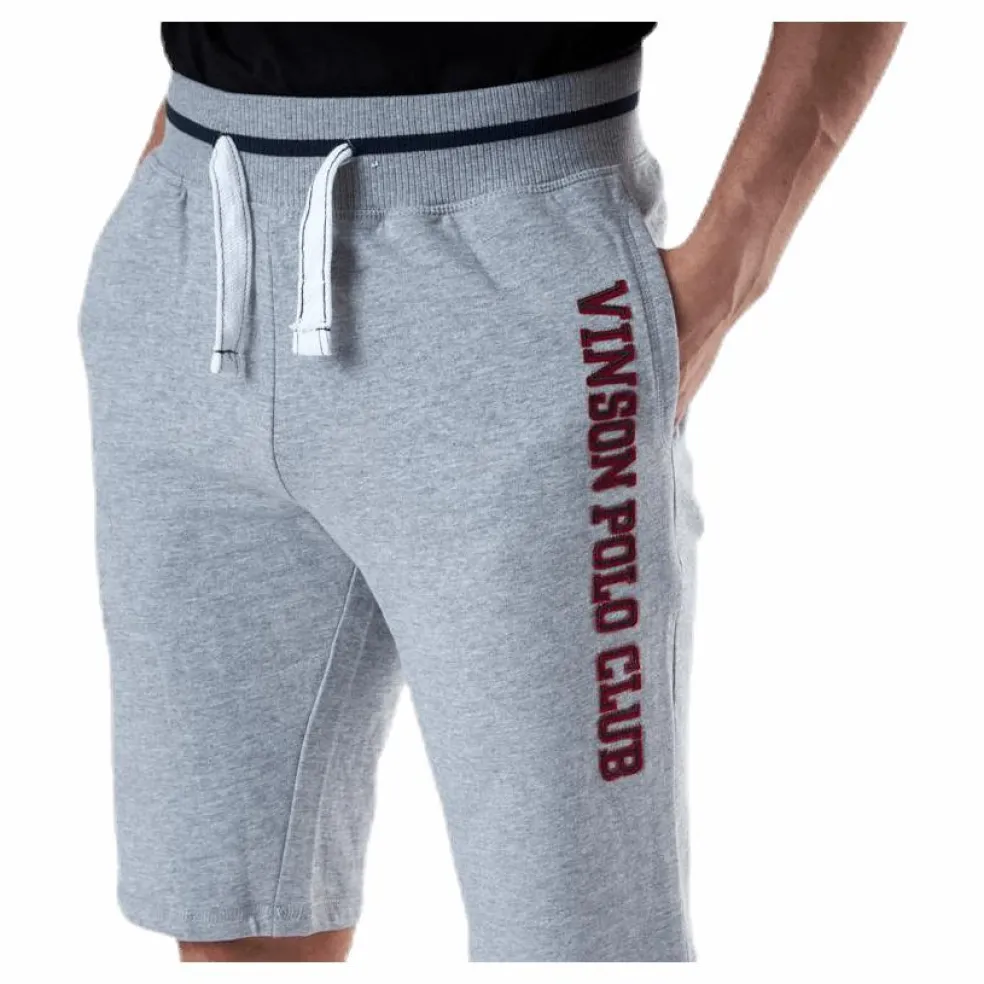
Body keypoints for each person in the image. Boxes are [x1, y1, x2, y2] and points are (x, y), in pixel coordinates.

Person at [79, 22, 904, 963]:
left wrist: (727, 274)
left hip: (516, 261)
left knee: (576, 936)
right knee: (233, 910)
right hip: (196, 255)